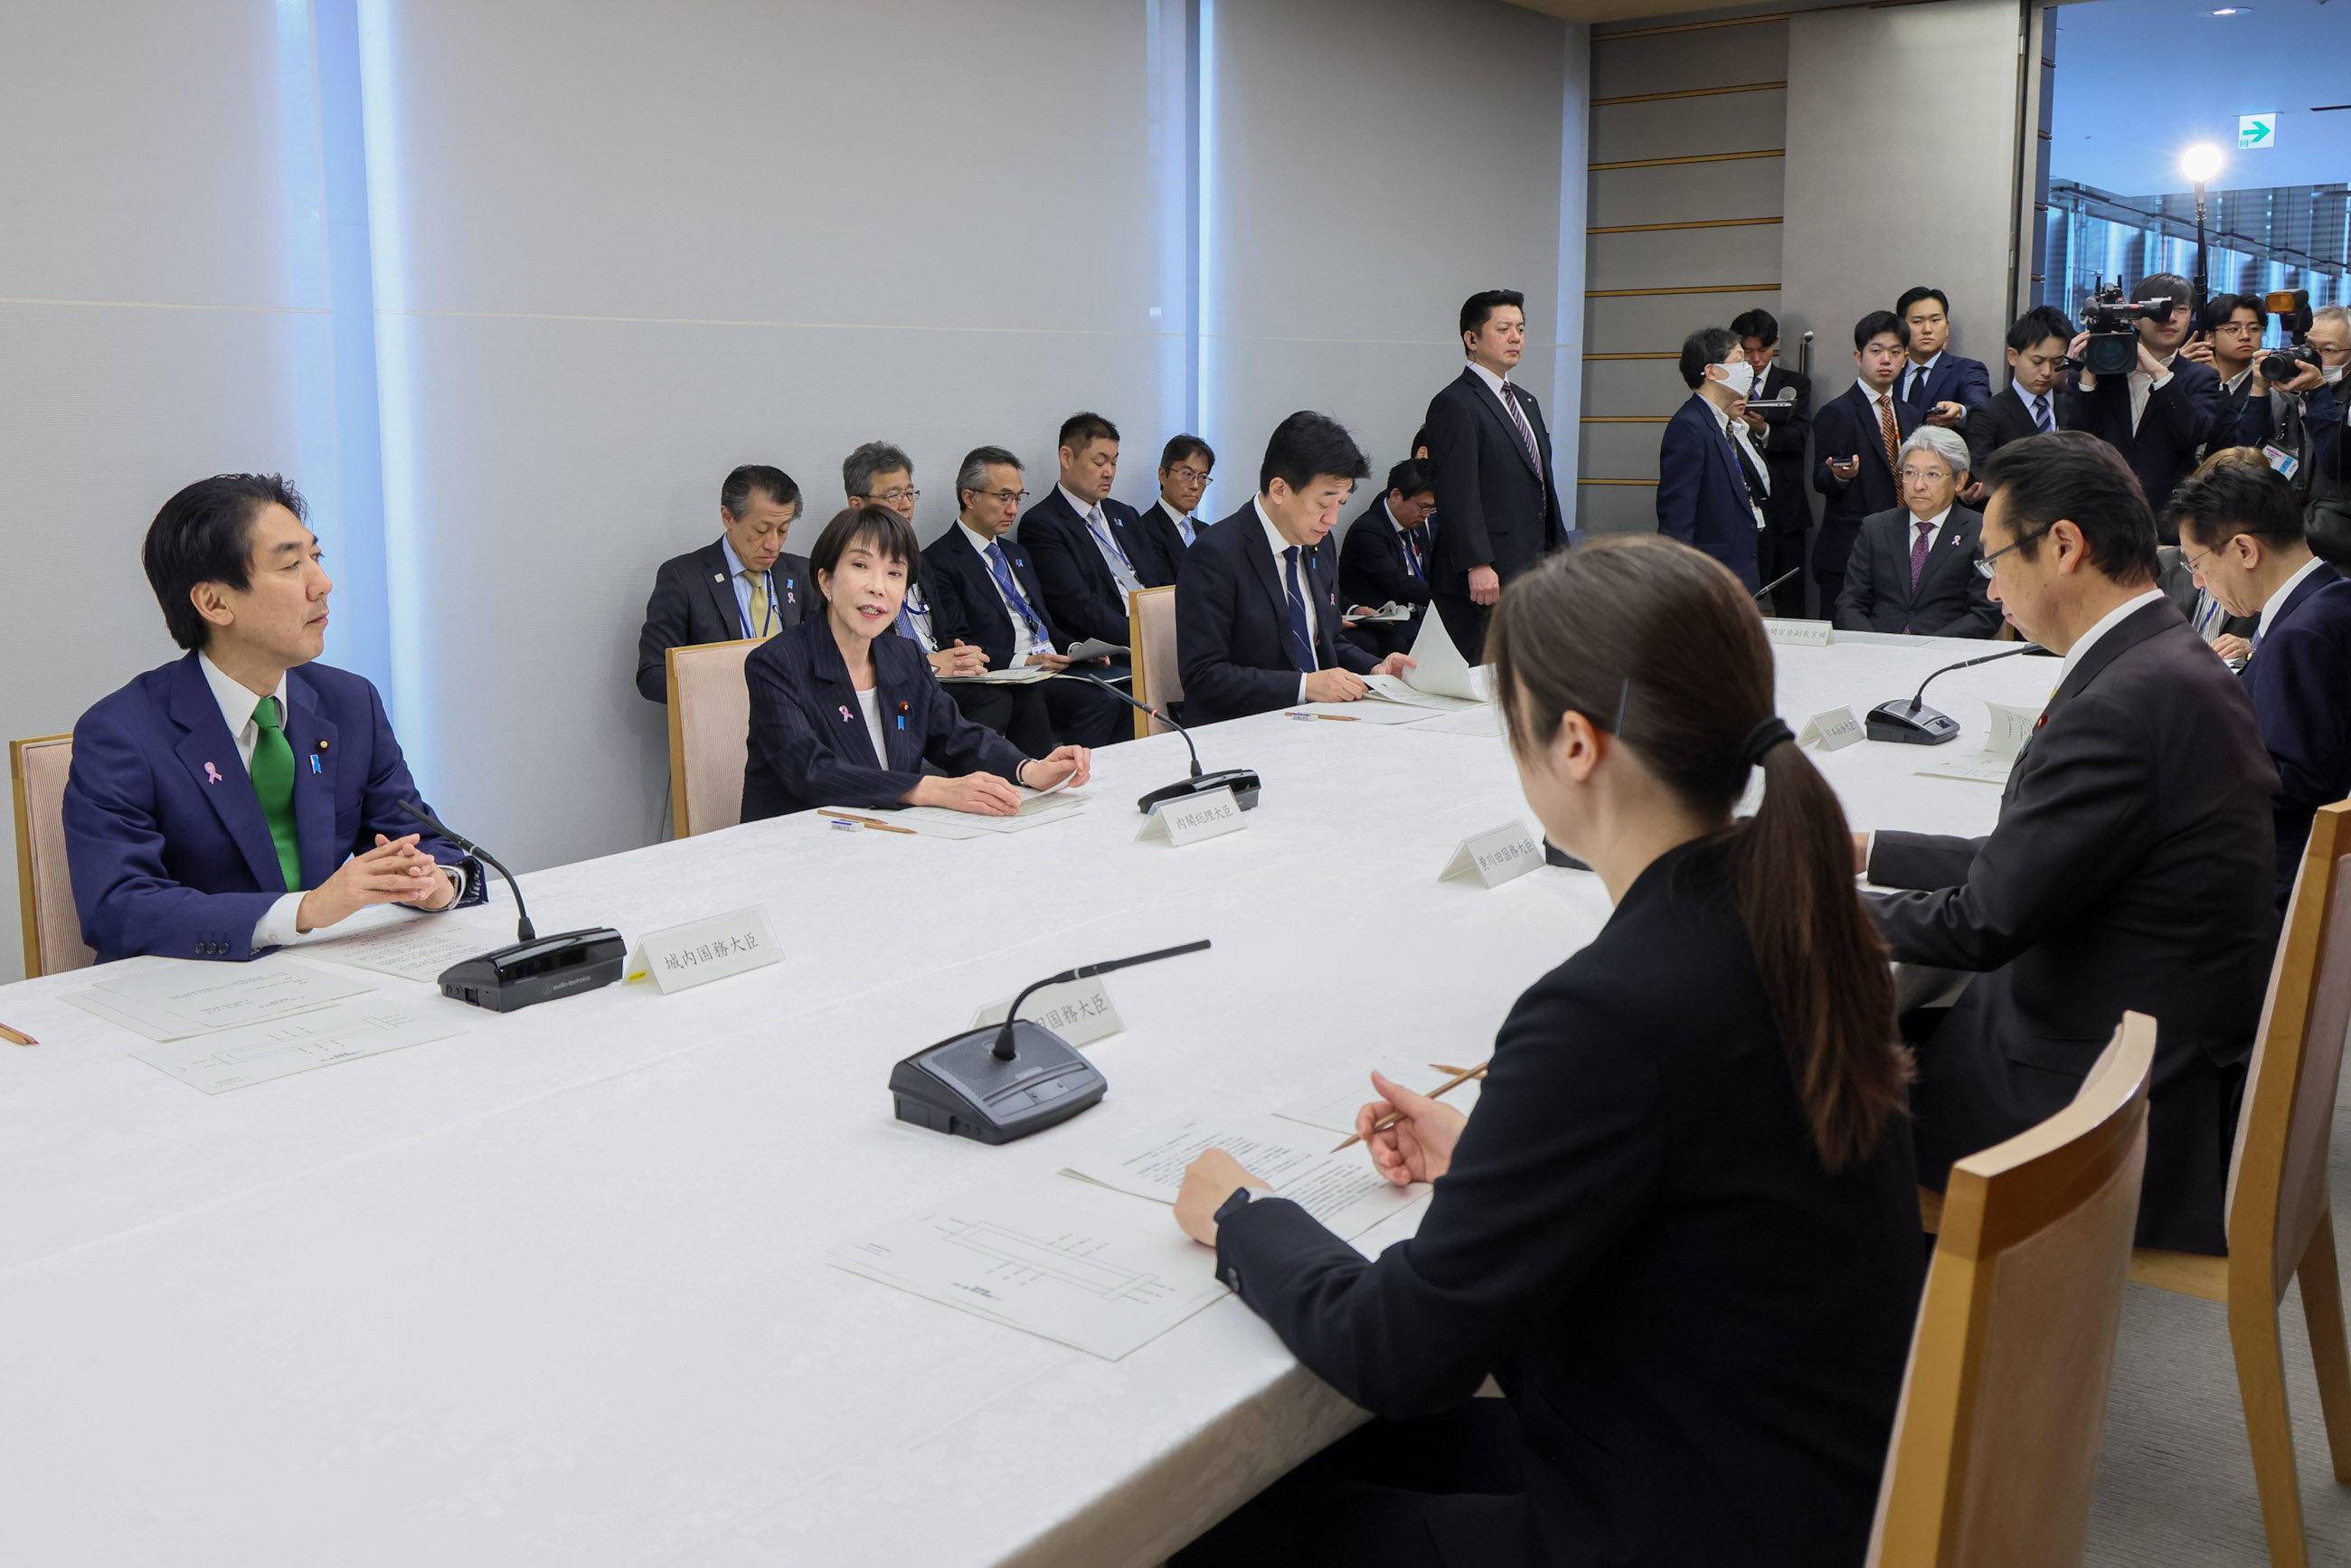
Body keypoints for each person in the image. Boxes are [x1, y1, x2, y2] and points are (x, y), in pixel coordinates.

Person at [1166, 534, 1921, 1568]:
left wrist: (1247, 1219)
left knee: (1213, 1531)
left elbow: (1402, 1352)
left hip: (1671, 1518)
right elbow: (1689, 1173)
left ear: (1573, 745)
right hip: (1778, 1479)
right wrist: (1494, 1151)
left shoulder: (1609, 1011)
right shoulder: (1789, 915)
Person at [1862, 430, 2276, 1256]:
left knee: (1812, 1097)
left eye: (1993, 561)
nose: (1990, 592)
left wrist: (1793, 904)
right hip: (2144, 1034)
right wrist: (1868, 848)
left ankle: (1904, 1366)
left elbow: (1982, 924)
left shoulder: (2123, 704)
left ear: (2062, 545)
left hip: (2104, 1093)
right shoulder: (2162, 658)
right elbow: (2042, 858)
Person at [64, 474, 480, 964]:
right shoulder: (122, 733)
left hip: (325, 979)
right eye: (290, 565)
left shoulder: (349, 703)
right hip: (191, 993)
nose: (322, 584)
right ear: (214, 602)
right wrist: (305, 911)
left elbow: (422, 838)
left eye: (316, 557)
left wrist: (437, 883)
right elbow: (119, 908)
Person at [739, 505, 1091, 822]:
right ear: (826, 580)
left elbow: (957, 736)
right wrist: (932, 789)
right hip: (800, 847)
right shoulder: (775, 664)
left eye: (895, 573)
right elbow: (811, 772)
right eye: (861, 565)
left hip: (890, 836)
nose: (878, 587)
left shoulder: (903, 656)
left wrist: (1029, 769)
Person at [2168, 462, 2351, 910]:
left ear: (2245, 549)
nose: (2197, 582)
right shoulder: (2331, 597)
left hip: (2282, 886)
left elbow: (2292, 782)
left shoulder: (2300, 634)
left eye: (2197, 563)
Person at [1176, 412, 1414, 726]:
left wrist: (1375, 668)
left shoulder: (1319, 543)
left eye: (1341, 503)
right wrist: (1305, 686)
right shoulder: (1214, 553)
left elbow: (1327, 639)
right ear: (1279, 490)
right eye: (1323, 504)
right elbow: (1204, 676)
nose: (1332, 520)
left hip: (1320, 722)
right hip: (1244, 729)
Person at [923, 447, 1127, 748]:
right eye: (1003, 497)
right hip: (1012, 674)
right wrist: (1027, 660)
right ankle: (1068, 778)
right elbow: (958, 641)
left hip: (1051, 666)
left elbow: (1041, 620)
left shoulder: (1016, 554)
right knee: (1100, 701)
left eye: (1018, 497)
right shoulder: (939, 560)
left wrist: (1075, 648)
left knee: (1131, 690)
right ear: (969, 497)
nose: (1013, 509)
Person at [1423, 288, 1566, 661]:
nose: (1516, 337)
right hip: (1489, 571)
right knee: (1489, 675)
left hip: (1532, 562)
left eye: (1520, 328)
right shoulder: (1455, 403)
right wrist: (1478, 563)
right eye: (1503, 329)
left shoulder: (1526, 401)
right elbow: (1457, 491)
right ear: (1471, 339)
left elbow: (1541, 484)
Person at [2059, 271, 2225, 528]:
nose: (2169, 318)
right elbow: (2078, 439)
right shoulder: (2104, 371)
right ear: (2134, 318)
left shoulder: (2202, 378)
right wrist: (2086, 374)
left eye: (2180, 309)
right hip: (2100, 513)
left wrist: (2155, 369)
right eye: (2158, 309)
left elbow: (2194, 432)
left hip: (2167, 518)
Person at [634, 465, 811, 701]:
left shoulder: (802, 574)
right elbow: (652, 674)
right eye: (761, 530)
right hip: (721, 724)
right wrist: (721, 685)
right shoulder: (683, 577)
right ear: (728, 517)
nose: (773, 544)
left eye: (783, 530)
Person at [1018, 412, 1173, 651]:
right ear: (1066, 457)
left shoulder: (1126, 515)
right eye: (1099, 463)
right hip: (1112, 649)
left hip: (1160, 637)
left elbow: (1158, 582)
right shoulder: (1043, 525)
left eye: (1114, 463)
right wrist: (1147, 637)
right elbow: (1078, 606)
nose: (1109, 472)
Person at [1833, 427, 1998, 637]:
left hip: (1946, 654)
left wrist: (1923, 650)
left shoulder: (1982, 531)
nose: (1918, 485)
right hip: (1877, 651)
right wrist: (1873, 647)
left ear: (1960, 481)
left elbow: (1985, 613)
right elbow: (1850, 603)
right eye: (1910, 473)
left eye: (1932, 474)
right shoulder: (1876, 528)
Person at [1812, 311, 1921, 614]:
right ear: (1859, 357)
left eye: (1895, 352)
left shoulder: (1911, 414)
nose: (1886, 359)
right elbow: (1819, 478)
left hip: (1902, 547)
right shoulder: (1837, 412)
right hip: (1850, 552)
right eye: (1876, 351)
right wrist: (1839, 475)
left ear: (1905, 358)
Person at [1656, 326, 1764, 590]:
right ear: (1712, 371)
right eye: (1739, 361)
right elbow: (1678, 516)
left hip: (1736, 569)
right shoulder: (1689, 426)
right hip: (1706, 577)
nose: (1748, 368)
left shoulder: (1722, 422)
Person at [1731, 307, 1814, 617]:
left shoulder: (1794, 383)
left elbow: (1800, 439)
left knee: (1789, 597)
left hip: (1785, 504)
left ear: (1775, 343)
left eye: (1763, 350)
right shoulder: (1728, 384)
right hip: (1742, 505)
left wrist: (1764, 429)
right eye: (1747, 351)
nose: (1755, 359)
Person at [1337, 458, 1438, 659]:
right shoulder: (1367, 531)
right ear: (1396, 495)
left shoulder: (1415, 525)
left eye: (1431, 509)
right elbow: (1398, 584)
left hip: (1412, 612)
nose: (1426, 515)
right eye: (1422, 507)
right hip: (1379, 617)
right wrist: (1444, 597)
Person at [1964, 307, 2074, 477]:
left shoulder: (2070, 408)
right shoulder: (1988, 414)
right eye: (2037, 362)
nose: (2047, 371)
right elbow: (1980, 478)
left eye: (2057, 362)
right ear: (2013, 356)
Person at [1893, 286, 1992, 429]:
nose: (1927, 329)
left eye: (1935, 320)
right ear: (1901, 328)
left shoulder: (1968, 370)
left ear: (1947, 327)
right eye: (1917, 322)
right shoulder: (1891, 371)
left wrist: (1960, 411)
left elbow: (1980, 407)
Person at [2185, 293, 2269, 451]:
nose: (2245, 336)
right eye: (2233, 329)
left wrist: (2219, 386)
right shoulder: (2193, 379)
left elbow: (2243, 443)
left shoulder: (2263, 383)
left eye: (2254, 329)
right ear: (2210, 337)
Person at [1138, 434, 1216, 565]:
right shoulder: (1144, 530)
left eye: (1202, 477)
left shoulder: (1206, 532)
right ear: (1163, 475)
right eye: (1187, 474)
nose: (1195, 486)